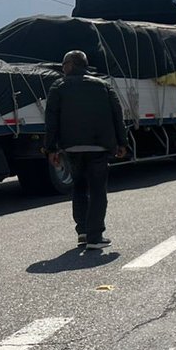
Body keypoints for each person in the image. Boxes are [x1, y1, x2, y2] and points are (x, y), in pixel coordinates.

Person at [44, 50, 128, 250]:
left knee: (79, 189)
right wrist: (122, 143)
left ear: (71, 65)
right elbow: (118, 114)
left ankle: (82, 231)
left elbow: (51, 120)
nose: (62, 68)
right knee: (98, 191)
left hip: (71, 149)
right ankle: (95, 236)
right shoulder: (103, 86)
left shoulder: (59, 87)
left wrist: (51, 149)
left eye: (64, 64)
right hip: (99, 147)